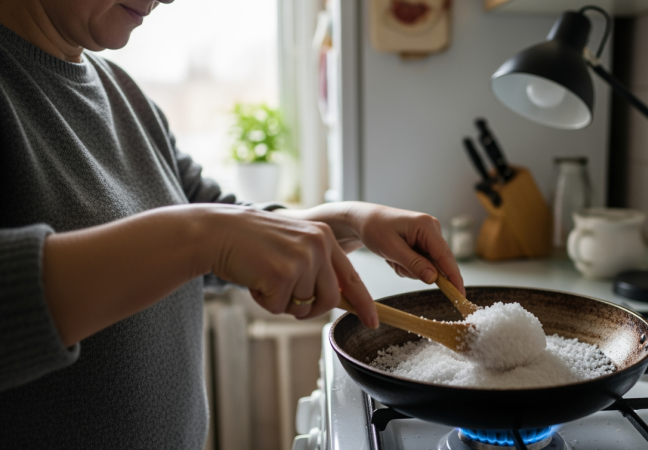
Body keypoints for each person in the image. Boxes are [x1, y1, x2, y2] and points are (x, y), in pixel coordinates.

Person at [0, 0, 465, 447]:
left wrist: (353, 221)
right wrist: (203, 237)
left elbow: (217, 224)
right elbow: (204, 236)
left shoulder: (122, 93)